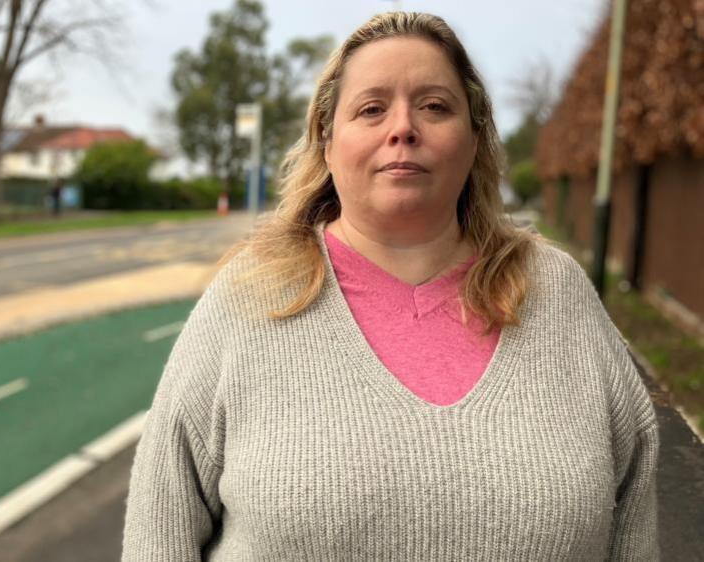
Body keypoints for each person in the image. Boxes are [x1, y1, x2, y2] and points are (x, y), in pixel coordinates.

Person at [122, 11, 659, 561]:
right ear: (328, 144)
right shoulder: (250, 296)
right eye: (371, 109)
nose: (403, 128)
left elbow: (634, 521)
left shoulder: (558, 294)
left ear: (475, 141)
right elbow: (157, 536)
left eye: (434, 106)